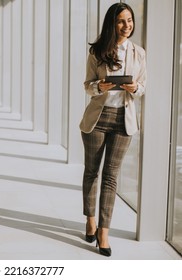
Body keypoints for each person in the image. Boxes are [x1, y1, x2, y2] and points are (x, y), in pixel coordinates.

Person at [79, 3, 146, 257]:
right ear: (112, 24)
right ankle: (90, 219)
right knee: (92, 172)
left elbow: (143, 87)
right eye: (121, 21)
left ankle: (104, 232)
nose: (126, 25)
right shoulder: (97, 52)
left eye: (129, 20)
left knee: (111, 177)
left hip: (123, 120)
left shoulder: (139, 53)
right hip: (97, 119)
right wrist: (101, 86)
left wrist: (134, 88)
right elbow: (87, 86)